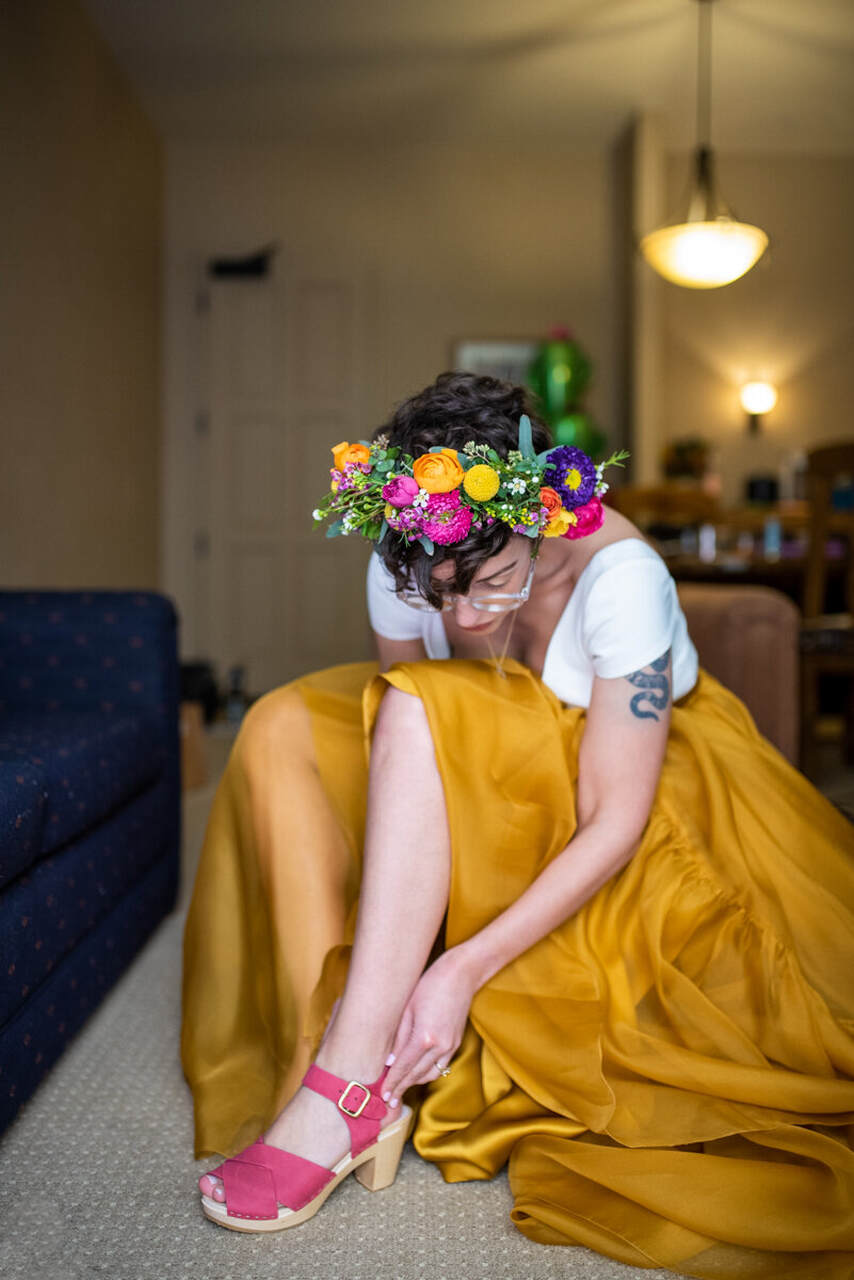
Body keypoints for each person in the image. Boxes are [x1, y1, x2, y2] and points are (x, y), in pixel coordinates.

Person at [182, 372, 854, 1276]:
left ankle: (350, 1081)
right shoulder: (410, 560)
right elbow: (412, 715)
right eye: (438, 591)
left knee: (429, 712)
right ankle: (341, 1044)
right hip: (490, 753)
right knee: (280, 725)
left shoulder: (622, 582)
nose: (462, 616)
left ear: (544, 521)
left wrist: (460, 968)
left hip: (628, 785)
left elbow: (615, 820)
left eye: (492, 581)